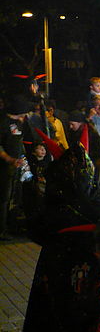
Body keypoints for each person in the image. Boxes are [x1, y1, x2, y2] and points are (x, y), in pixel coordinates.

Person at [12, 135, 100, 332]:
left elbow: (36, 231)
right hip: (80, 286)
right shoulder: (91, 208)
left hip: (55, 286)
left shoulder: (54, 209)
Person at [0, 96, 34, 240]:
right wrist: (9, 159)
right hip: (4, 168)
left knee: (16, 197)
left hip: (19, 165)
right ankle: (1, 230)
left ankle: (12, 226)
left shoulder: (20, 123)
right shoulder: (3, 123)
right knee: (3, 199)